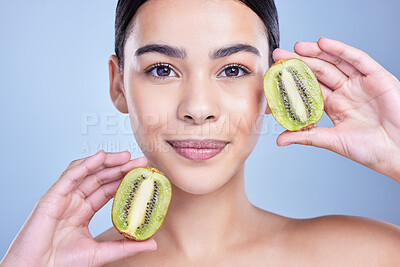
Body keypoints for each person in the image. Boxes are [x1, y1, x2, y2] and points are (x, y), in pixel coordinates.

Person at [2, 0, 400, 266]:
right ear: (118, 84)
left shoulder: (366, 254)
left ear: (275, 89)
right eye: (162, 69)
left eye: (233, 70)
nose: (197, 109)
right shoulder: (55, 263)